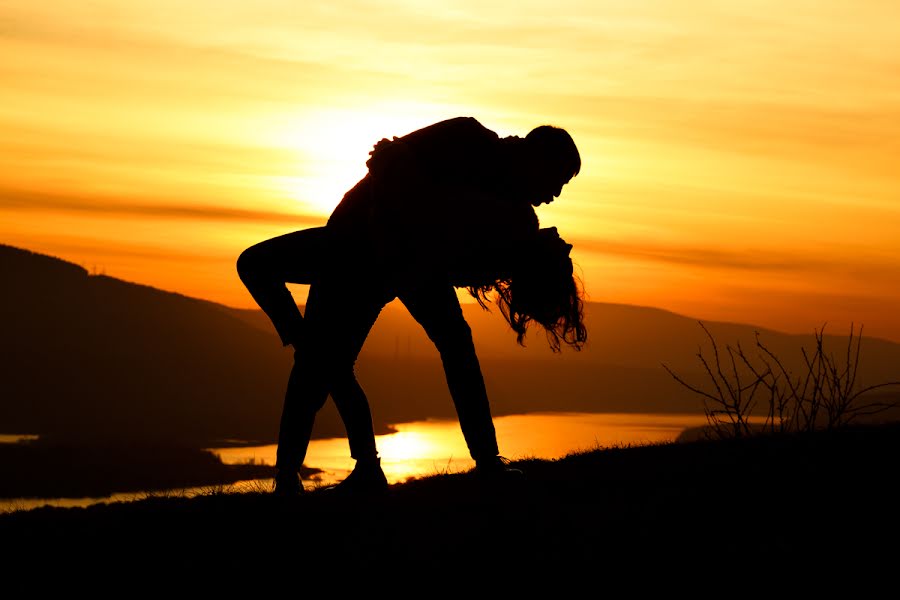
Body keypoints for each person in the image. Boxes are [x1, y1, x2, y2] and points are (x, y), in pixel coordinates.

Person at [237, 116, 584, 495]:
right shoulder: (468, 137)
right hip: (354, 245)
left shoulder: (515, 215)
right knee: (315, 365)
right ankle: (300, 475)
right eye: (558, 181)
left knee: (453, 346)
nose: (555, 195)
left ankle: (483, 462)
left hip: (413, 266)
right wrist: (399, 232)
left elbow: (464, 260)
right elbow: (385, 155)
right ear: (536, 159)